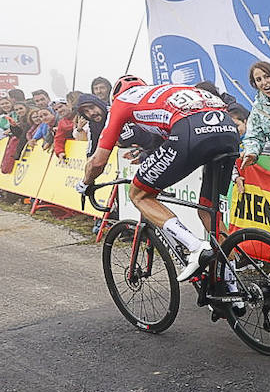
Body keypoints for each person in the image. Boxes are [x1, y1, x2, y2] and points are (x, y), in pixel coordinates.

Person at [80, 76, 239, 280]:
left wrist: (84, 183)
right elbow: (162, 142)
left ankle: (195, 247)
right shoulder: (167, 91)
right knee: (209, 212)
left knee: (139, 195)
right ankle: (232, 287)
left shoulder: (122, 102)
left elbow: (98, 161)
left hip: (190, 131)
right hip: (228, 130)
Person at [237, 62, 270, 170]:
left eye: (267, 76)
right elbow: (253, 136)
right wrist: (251, 153)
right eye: (258, 80)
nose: (264, 82)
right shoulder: (258, 108)